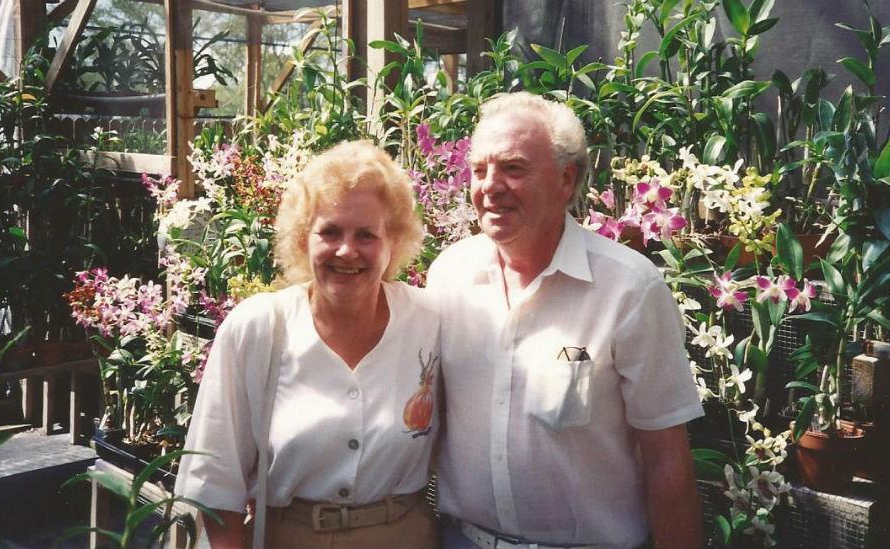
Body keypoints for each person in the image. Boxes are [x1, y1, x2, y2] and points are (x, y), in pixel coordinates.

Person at [427, 92, 704, 549]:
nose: (490, 186)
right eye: (479, 170)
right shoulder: (449, 275)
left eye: (513, 168)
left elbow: (667, 461)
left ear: (564, 180)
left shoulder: (629, 288)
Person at [175, 140, 441, 549]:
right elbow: (215, 484)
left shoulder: (430, 323)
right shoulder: (259, 328)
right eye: (329, 232)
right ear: (303, 238)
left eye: (367, 234)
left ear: (394, 243)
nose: (346, 250)